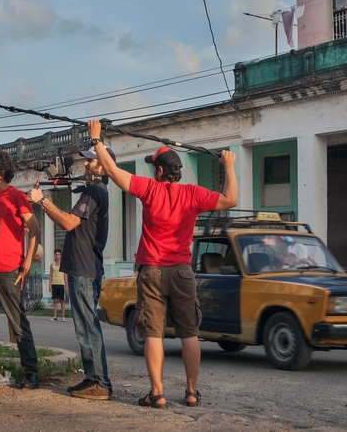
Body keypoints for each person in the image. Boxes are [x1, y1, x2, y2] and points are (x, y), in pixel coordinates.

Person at [86, 120, 237, 408]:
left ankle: (157, 394)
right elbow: (231, 198)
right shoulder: (193, 193)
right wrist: (228, 164)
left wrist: (97, 141)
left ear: (158, 171)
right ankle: (192, 392)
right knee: (189, 333)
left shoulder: (150, 190)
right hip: (182, 270)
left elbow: (114, 173)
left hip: (152, 271)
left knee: (154, 333)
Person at [29, 144, 116, 401]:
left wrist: (42, 200)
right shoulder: (95, 191)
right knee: (85, 327)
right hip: (85, 268)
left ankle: (100, 383)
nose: (86, 164)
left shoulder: (95, 191)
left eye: (91, 161)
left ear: (103, 166)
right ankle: (93, 378)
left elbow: (68, 222)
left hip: (84, 269)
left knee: (88, 328)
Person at [0, 149, 42, 389]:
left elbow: (35, 231)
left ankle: (31, 374)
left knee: (17, 323)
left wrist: (26, 262)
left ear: (0, 172)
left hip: (9, 270)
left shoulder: (17, 197)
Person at [49, 249, 67, 322]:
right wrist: (50, 286)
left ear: (61, 255)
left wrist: (66, 286)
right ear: (54, 255)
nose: (57, 256)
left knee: (62, 301)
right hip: (54, 284)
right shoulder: (52, 265)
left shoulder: (63, 265)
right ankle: (55, 316)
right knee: (55, 300)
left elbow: (65, 275)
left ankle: (63, 316)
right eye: (56, 255)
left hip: (61, 284)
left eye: (59, 254)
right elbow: (51, 275)